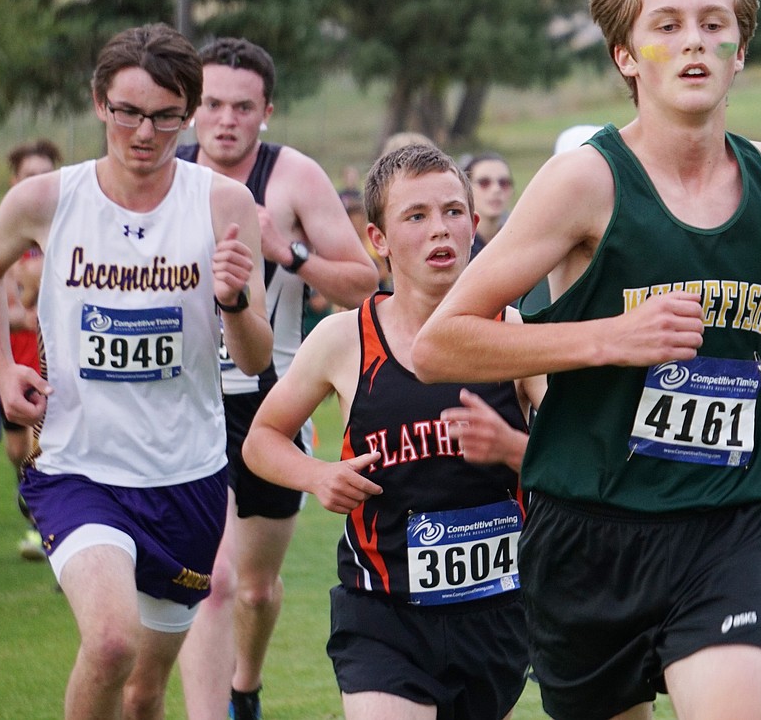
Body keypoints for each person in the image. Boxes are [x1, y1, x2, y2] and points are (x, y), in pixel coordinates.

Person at [413, 0, 761, 720]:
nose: (694, 45)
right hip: (589, 534)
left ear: (739, 51)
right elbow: (438, 344)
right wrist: (607, 339)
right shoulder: (584, 185)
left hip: (726, 524)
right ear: (626, 55)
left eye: (714, 27)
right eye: (667, 27)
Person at [0, 23, 273, 720]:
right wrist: (2, 372)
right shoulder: (48, 199)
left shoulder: (223, 204)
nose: (145, 133)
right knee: (109, 646)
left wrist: (233, 301)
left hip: (185, 477)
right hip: (79, 468)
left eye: (166, 117)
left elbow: (254, 359)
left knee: (142, 694)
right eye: (130, 112)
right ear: (100, 103)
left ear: (187, 114)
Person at [242, 143, 544, 720]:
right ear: (377, 239)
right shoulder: (343, 339)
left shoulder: (513, 333)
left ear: (476, 226)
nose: (441, 231)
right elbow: (262, 439)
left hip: (496, 611)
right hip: (382, 613)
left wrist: (510, 447)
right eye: (416, 216)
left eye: (454, 213)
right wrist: (316, 475)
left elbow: (574, 464)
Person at [175, 36, 378, 720]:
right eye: (210, 104)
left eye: (241, 106)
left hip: (270, 401)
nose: (225, 119)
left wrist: (285, 250)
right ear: (191, 109)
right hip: (183, 401)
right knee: (215, 579)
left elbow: (363, 285)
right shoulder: (166, 174)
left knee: (256, 589)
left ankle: (246, 688)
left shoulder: (292, 177)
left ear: (267, 111)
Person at [0, 139, 64, 561]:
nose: (37, 181)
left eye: (44, 172)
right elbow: (0, 281)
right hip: (13, 349)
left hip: (52, 349)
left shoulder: (67, 217)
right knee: (17, 449)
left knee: (40, 441)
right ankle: (33, 500)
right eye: (29, 175)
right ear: (15, 180)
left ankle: (46, 532)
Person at [461, 152, 514, 259]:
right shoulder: (458, 245)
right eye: (484, 183)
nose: (496, 189)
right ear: (466, 189)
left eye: (503, 183)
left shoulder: (518, 243)